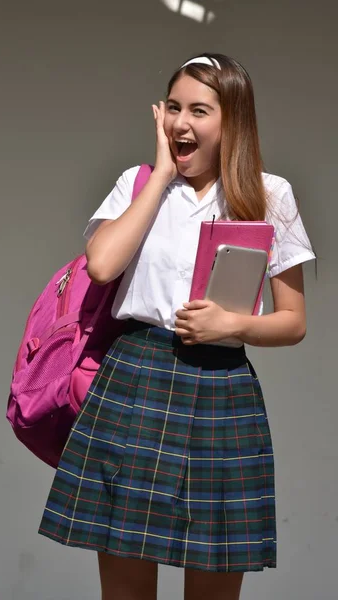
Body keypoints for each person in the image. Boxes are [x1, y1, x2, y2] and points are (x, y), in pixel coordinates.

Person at [38, 53, 315, 600]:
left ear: (231, 120)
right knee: (125, 588)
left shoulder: (268, 195)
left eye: (200, 110)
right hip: (134, 382)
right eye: (173, 107)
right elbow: (101, 265)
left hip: (222, 389)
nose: (181, 123)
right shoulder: (138, 183)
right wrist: (161, 175)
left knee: (214, 583)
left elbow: (293, 322)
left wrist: (230, 322)